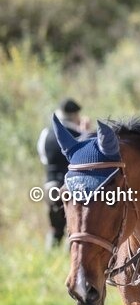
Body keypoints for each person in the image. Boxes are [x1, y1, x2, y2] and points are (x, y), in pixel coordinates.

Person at [37, 98, 92, 248]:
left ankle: (49, 259)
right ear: (75, 115)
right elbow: (86, 156)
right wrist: (85, 132)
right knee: (74, 227)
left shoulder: (45, 133)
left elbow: (43, 157)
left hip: (50, 186)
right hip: (71, 186)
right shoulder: (77, 134)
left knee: (55, 229)